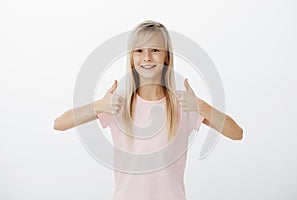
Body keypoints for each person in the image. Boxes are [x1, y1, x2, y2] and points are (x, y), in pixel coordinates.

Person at [53, 20, 243, 200]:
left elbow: (236, 133)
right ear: (132, 57)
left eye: (155, 50)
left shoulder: (184, 103)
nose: (147, 57)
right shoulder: (117, 103)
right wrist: (98, 106)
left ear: (166, 55)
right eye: (139, 51)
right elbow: (60, 123)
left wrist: (201, 106)